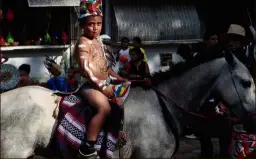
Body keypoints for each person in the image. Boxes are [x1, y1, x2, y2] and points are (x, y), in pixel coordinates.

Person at [73, 0, 126, 158]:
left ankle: (115, 135)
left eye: (99, 23)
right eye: (91, 24)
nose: (95, 28)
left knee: (122, 102)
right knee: (105, 108)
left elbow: (105, 67)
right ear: (83, 25)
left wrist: (119, 78)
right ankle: (87, 146)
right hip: (88, 85)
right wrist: (102, 87)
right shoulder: (83, 42)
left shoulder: (99, 42)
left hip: (104, 84)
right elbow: (86, 69)